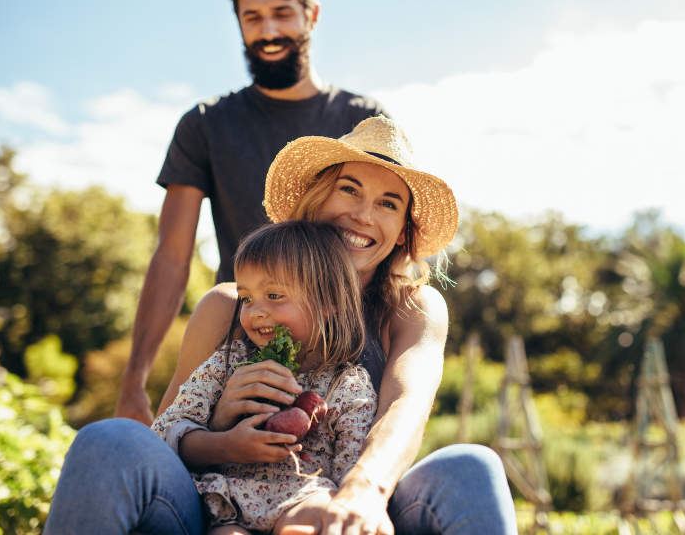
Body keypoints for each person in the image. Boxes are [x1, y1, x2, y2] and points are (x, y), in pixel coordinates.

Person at [44, 116, 518, 535]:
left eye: (389, 204)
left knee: (473, 466)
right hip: (216, 506)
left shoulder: (412, 307)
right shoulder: (228, 306)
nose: (362, 214)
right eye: (348, 189)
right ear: (315, 198)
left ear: (403, 232)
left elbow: (406, 406)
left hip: (341, 499)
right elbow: (165, 438)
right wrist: (221, 420)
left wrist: (363, 490)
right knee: (108, 441)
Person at [115, 0, 388, 426]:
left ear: (312, 16)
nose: (268, 31)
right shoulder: (206, 125)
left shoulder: (360, 120)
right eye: (252, 17)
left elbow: (386, 235)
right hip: (243, 338)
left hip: (348, 347)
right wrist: (134, 378)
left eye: (281, 14)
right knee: (183, 460)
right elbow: (173, 256)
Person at [153, 220, 379, 535]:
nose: (255, 311)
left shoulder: (347, 385)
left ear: (328, 303)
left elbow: (352, 467)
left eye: (274, 295)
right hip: (228, 503)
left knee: (320, 513)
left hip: (303, 496)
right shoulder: (227, 364)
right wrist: (225, 445)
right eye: (246, 298)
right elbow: (164, 433)